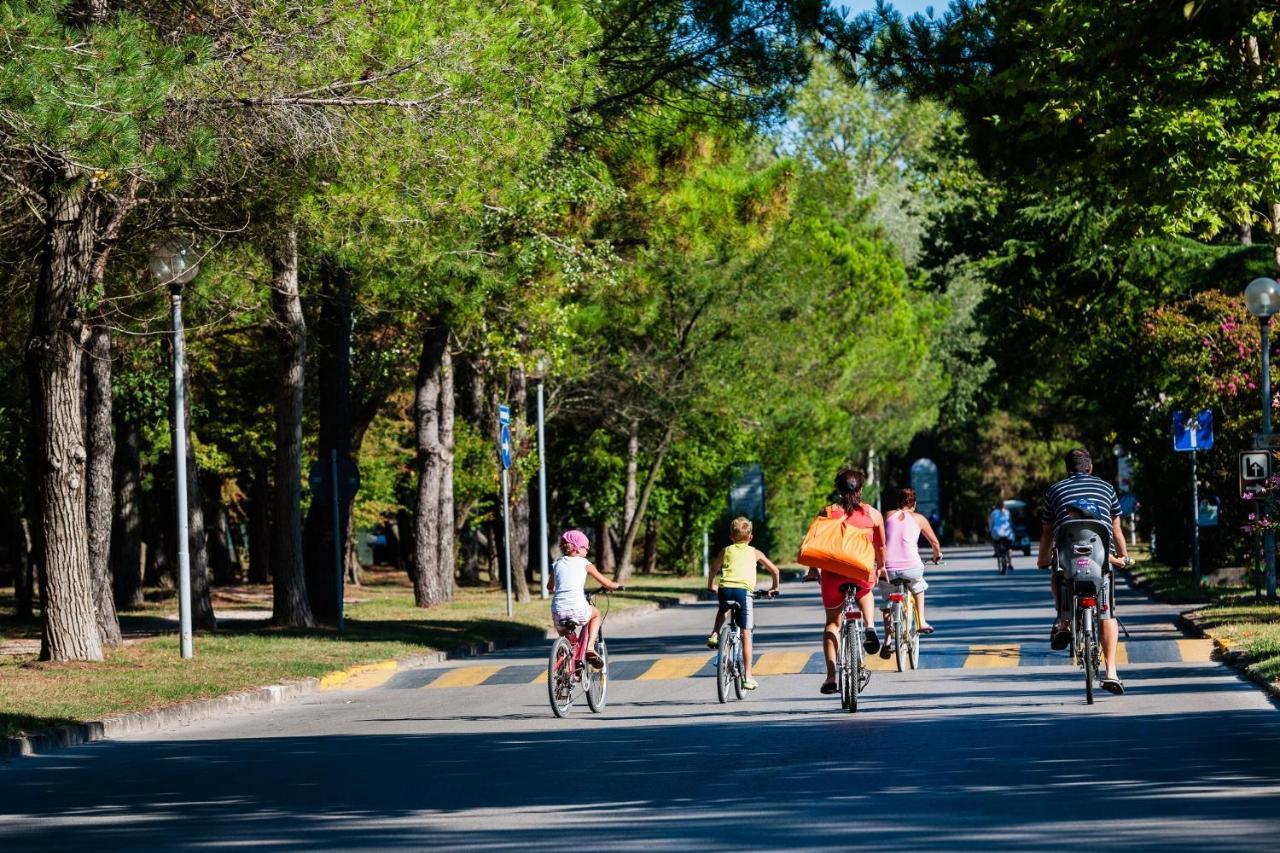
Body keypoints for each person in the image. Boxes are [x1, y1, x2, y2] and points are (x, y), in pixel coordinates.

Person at [1035, 448, 1131, 694]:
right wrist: (1124, 556)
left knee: (1057, 573)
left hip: (1068, 561)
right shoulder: (1107, 489)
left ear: (1067, 470)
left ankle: (1064, 622)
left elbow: (1047, 532)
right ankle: (1111, 672)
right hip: (1101, 561)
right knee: (1107, 613)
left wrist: (1042, 559)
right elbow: (1117, 529)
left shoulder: (1054, 491)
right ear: (1090, 468)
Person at [803, 468, 886, 695]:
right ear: (860, 489)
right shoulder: (872, 514)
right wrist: (882, 567)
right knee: (865, 591)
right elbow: (880, 546)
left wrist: (812, 570)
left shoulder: (828, 513)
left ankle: (831, 676)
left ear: (838, 489)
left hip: (832, 576)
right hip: (861, 571)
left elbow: (815, 544)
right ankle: (869, 626)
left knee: (832, 624)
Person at [706, 517, 780, 691]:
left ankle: (715, 635)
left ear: (731, 536)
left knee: (723, 609)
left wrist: (711, 585)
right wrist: (774, 587)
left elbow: (713, 569)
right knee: (746, 633)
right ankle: (748, 677)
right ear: (750, 537)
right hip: (743, 592)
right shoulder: (755, 552)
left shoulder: (726, 550)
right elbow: (775, 570)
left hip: (725, 589)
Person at [878, 488, 942, 657]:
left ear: (898, 503)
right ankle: (921, 622)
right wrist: (937, 556)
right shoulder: (919, 519)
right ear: (914, 503)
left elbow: (879, 539)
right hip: (912, 567)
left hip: (888, 568)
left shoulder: (887, 515)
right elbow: (934, 543)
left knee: (887, 601)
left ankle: (887, 640)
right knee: (919, 587)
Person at [547, 529, 621, 668]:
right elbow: (606, 583)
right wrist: (615, 586)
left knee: (567, 638)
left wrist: (559, 588)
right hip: (578, 608)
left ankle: (566, 664)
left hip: (558, 611)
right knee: (596, 614)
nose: (587, 550)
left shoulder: (557, 563)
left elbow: (550, 587)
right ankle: (590, 647)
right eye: (585, 547)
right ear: (576, 548)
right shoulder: (585, 563)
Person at [988, 500, 1015, 570]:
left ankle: (996, 551)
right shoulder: (1007, 512)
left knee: (994, 540)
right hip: (1007, 533)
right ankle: (1010, 563)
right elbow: (1010, 522)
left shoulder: (993, 513)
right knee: (1009, 548)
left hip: (997, 532)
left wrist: (990, 530)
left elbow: (991, 523)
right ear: (1004, 506)